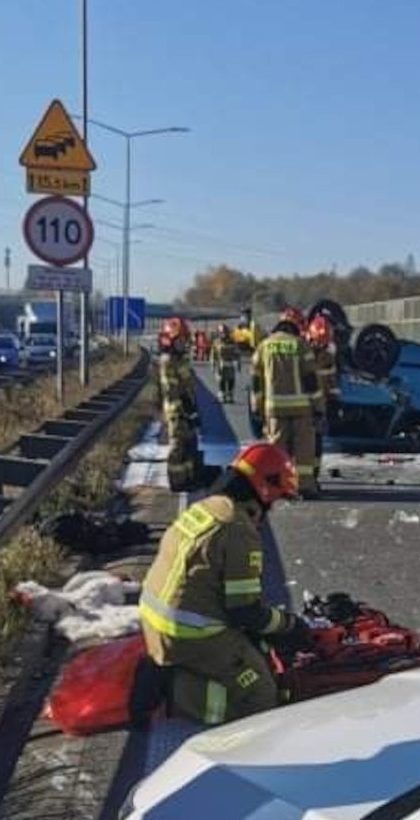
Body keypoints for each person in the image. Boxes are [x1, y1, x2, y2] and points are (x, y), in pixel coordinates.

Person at [138, 442, 313, 725]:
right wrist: (290, 625)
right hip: (189, 635)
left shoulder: (207, 507)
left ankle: (172, 670)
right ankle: (174, 690)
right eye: (277, 499)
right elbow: (245, 612)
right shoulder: (238, 529)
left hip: (153, 620)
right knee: (262, 696)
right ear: (265, 487)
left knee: (253, 653)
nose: (272, 507)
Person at [250, 308, 323, 497]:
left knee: (277, 450)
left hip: (274, 408)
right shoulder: (300, 345)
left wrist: (257, 408)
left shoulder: (264, 346)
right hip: (301, 408)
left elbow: (256, 383)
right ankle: (305, 486)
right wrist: (318, 408)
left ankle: (278, 487)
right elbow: (310, 380)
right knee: (304, 451)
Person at [157, 317, 200, 492]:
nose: (185, 343)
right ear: (172, 339)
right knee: (177, 446)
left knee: (189, 445)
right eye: (182, 339)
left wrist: (192, 410)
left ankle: (188, 478)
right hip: (177, 411)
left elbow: (188, 385)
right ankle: (176, 481)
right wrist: (186, 410)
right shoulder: (168, 361)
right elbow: (172, 390)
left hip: (185, 409)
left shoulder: (180, 359)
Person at [305, 314, 340, 479]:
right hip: (303, 405)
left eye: (325, 341)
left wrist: (333, 397)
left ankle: (313, 477)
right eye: (320, 340)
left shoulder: (328, 355)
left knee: (317, 444)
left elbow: (331, 379)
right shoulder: (302, 352)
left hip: (319, 406)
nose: (322, 344)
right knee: (302, 444)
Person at [210, 324, 240, 404]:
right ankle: (222, 394)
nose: (223, 334)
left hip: (230, 364)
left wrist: (237, 362)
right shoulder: (216, 342)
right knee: (221, 380)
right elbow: (213, 354)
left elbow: (236, 352)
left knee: (231, 379)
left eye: (225, 332)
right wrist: (213, 365)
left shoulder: (232, 341)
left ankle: (230, 395)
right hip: (220, 365)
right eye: (222, 332)